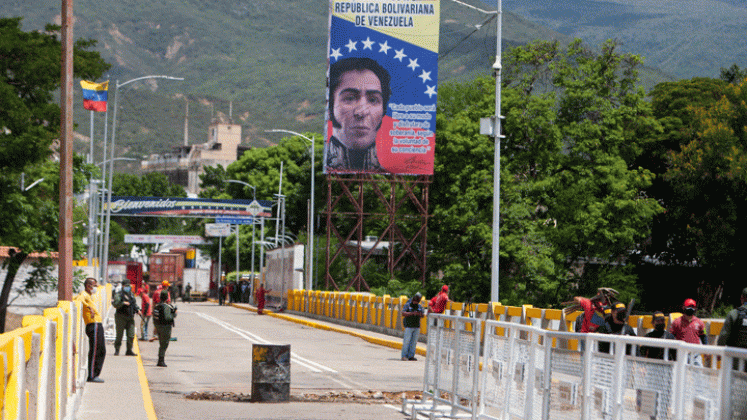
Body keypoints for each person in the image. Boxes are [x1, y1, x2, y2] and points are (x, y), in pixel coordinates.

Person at [326, 56, 391, 172]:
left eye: (373, 100)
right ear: (330, 107)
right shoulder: (314, 169)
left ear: (383, 110)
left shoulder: (390, 176)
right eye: (350, 98)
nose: (361, 112)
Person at [76, 278, 106, 382]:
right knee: (95, 350)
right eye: (94, 285)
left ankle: (96, 374)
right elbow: (78, 300)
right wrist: (89, 307)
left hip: (98, 324)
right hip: (93, 324)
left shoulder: (90, 296)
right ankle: (92, 375)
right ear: (88, 285)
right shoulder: (84, 294)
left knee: (102, 350)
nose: (96, 287)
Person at [670, 298, 707, 366]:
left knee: (698, 374)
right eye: (688, 306)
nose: (690, 308)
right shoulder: (677, 322)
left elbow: (703, 336)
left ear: (695, 308)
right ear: (683, 307)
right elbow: (671, 337)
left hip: (695, 353)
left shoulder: (699, 322)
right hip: (681, 353)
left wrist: (706, 350)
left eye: (692, 307)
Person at [112, 280, 140, 356]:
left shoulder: (131, 294)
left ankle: (129, 350)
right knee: (119, 335)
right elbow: (115, 304)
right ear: (123, 286)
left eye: (129, 285)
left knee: (131, 335)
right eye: (126, 286)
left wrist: (138, 310)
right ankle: (117, 349)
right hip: (121, 317)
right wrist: (123, 303)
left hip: (130, 317)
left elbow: (134, 303)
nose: (128, 287)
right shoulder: (119, 294)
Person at [153, 290, 177, 367]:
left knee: (161, 343)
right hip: (165, 328)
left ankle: (160, 359)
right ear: (167, 298)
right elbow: (168, 317)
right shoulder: (166, 307)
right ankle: (161, 361)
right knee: (164, 344)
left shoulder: (157, 306)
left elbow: (154, 317)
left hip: (158, 326)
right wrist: (174, 313)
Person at [401, 292, 425, 361]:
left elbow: (423, 315)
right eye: (415, 301)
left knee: (414, 343)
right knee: (406, 342)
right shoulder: (408, 305)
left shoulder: (419, 306)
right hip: (409, 326)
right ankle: (404, 356)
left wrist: (419, 314)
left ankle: (411, 356)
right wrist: (411, 313)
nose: (416, 303)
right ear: (413, 300)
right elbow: (403, 313)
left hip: (417, 327)